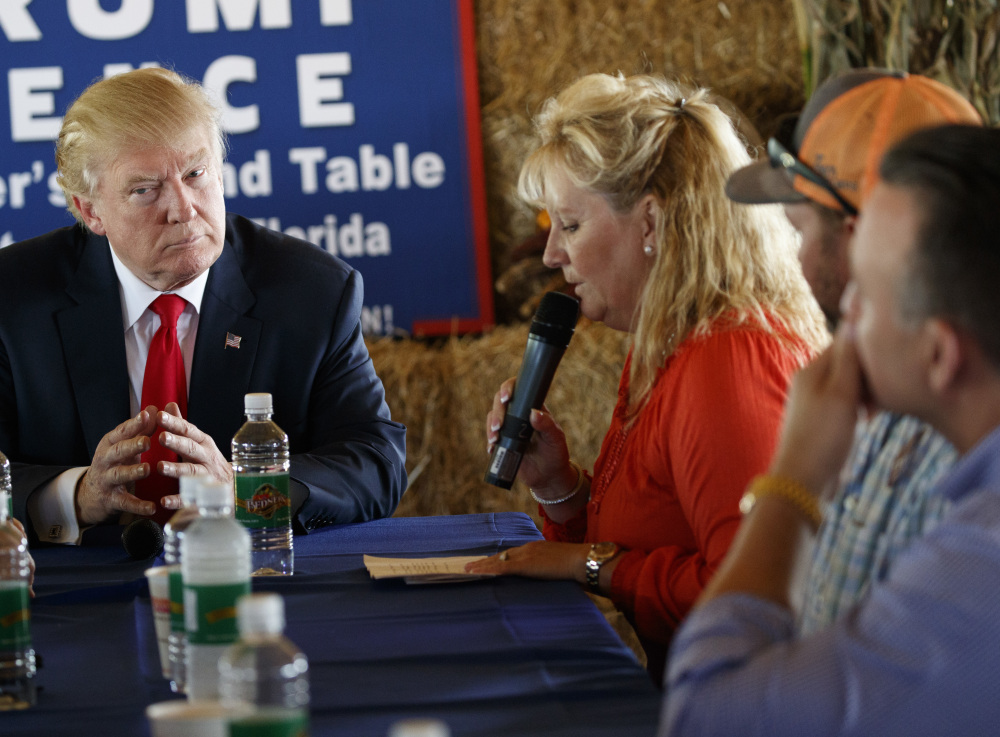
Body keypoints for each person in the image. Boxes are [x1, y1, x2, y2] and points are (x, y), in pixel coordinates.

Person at [467, 73, 828, 680]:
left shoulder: (727, 359)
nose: (552, 253)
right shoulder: (666, 343)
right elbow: (654, 541)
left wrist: (591, 567)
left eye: (571, 225)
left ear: (653, 223)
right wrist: (561, 488)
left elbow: (751, 595)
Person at [662, 124, 1000, 736]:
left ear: (941, 356)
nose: (844, 320)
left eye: (864, 297)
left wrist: (793, 480)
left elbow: (703, 717)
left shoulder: (978, 568)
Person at [0, 67, 407, 543]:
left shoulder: (312, 292)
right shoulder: (13, 298)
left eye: (196, 173)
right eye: (144, 190)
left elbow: (376, 462)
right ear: (91, 210)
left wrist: (249, 489)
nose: (184, 208)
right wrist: (76, 497)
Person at [725, 69, 981, 633]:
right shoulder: (875, 392)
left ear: (861, 234)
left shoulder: (959, 441)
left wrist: (790, 485)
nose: (795, 259)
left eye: (799, 228)